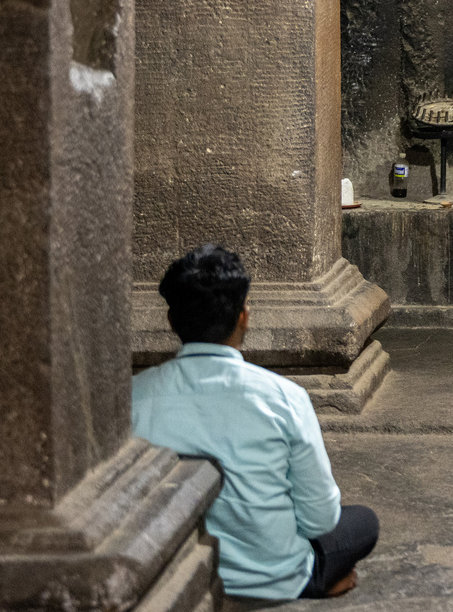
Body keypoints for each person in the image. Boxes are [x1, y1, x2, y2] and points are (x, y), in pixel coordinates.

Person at [132, 244, 379, 599]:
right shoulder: (283, 398)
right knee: (362, 521)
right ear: (244, 316)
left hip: (176, 572)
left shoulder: (135, 396)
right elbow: (320, 520)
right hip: (273, 575)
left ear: (172, 321)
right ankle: (319, 578)